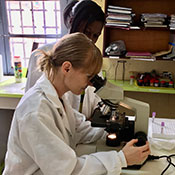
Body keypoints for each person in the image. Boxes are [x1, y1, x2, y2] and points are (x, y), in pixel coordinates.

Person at [3, 33, 150, 175]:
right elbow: (66, 170)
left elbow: (80, 129)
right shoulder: (36, 111)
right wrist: (121, 159)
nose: (91, 85)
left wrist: (118, 130)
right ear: (67, 68)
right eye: (88, 77)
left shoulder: (57, 98)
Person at [25, 0, 106, 119]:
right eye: (86, 32)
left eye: (95, 36)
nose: (90, 40)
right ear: (72, 22)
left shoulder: (92, 59)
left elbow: (95, 103)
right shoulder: (43, 54)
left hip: (78, 128)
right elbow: (33, 103)